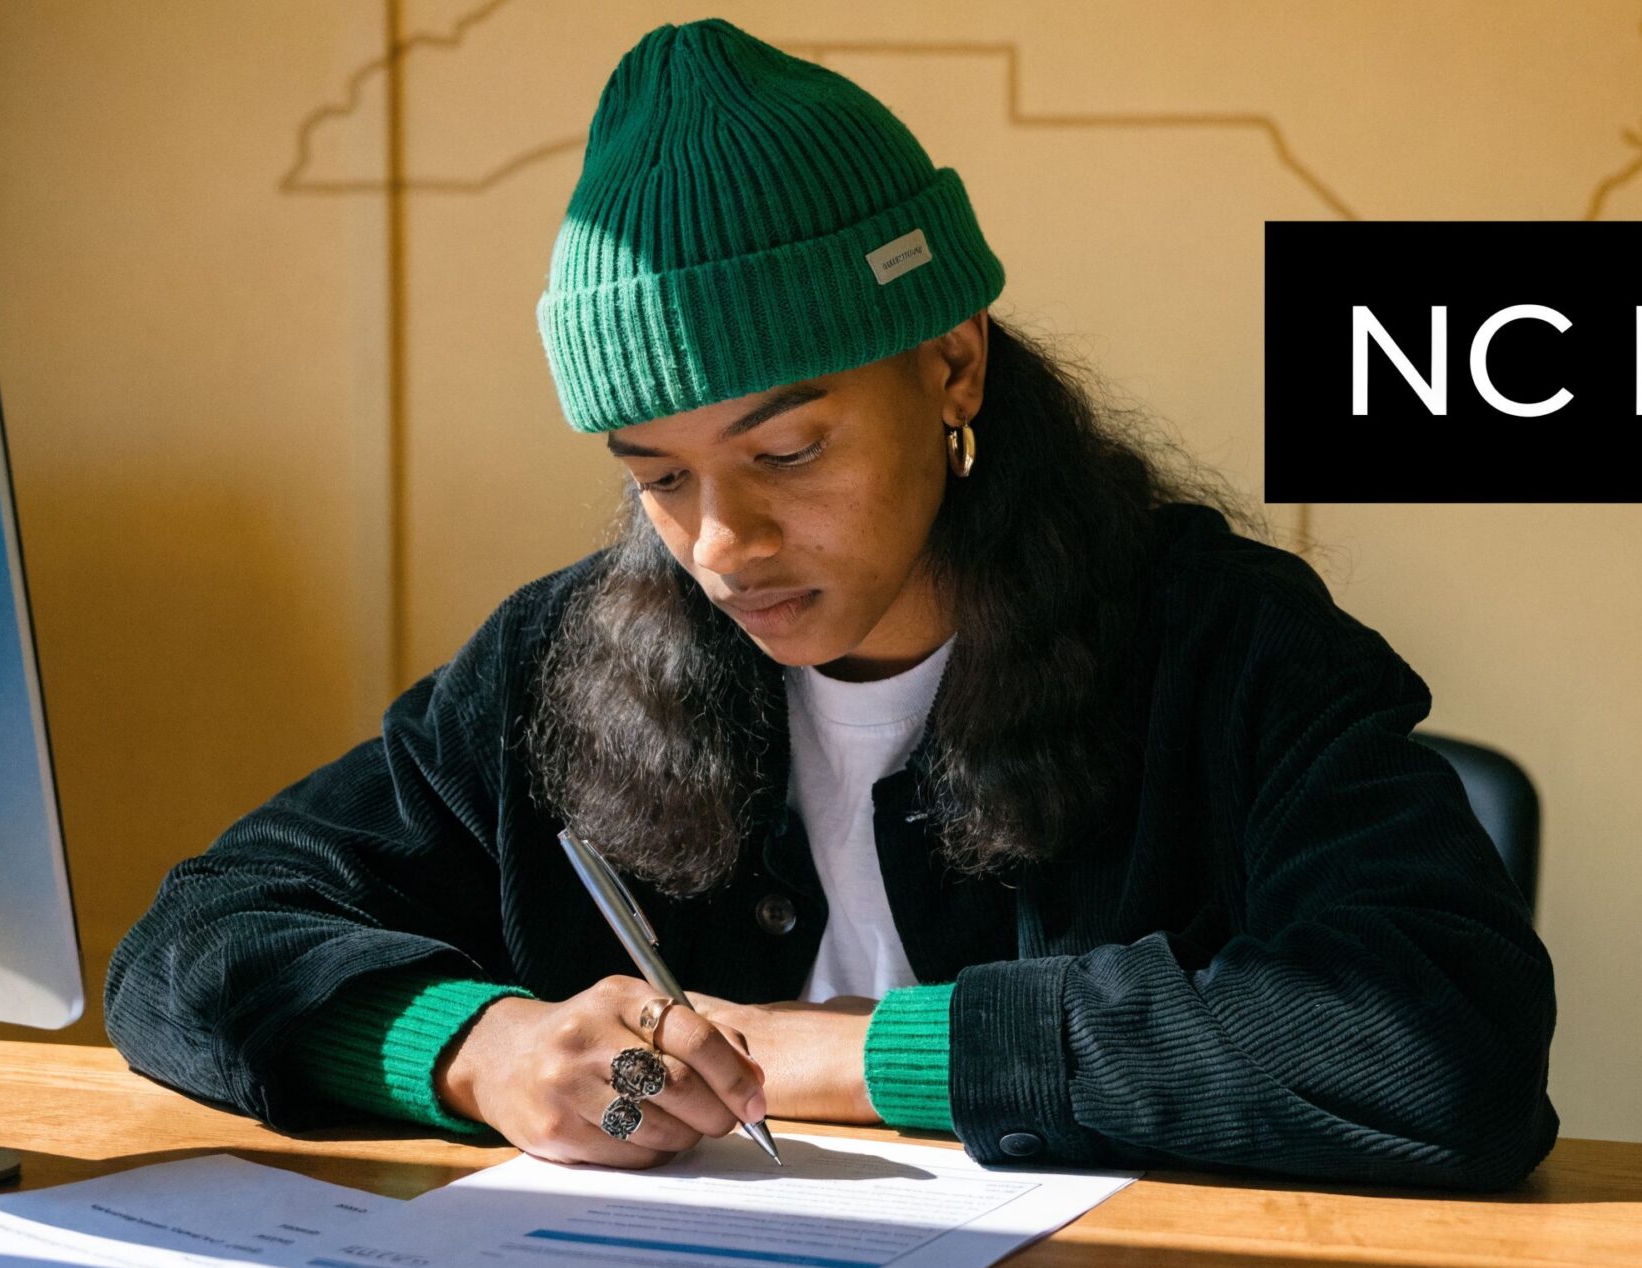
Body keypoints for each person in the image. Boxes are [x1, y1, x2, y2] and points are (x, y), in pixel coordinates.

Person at [104, 17, 1556, 1192]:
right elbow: (196, 943)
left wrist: (844, 1055)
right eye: (656, 475)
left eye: (788, 451)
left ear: (951, 365)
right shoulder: (559, 658)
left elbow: (1437, 1041)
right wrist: (475, 1049)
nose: (722, 543)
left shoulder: (1225, 642)